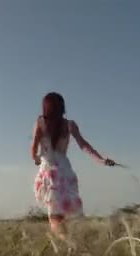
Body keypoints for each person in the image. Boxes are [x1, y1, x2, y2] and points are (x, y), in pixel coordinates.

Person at [31, 92, 116, 241]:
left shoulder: (40, 123)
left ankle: (70, 244)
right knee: (66, 215)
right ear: (62, 107)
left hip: (49, 172)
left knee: (55, 217)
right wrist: (101, 160)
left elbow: (33, 149)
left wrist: (37, 159)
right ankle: (74, 245)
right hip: (65, 171)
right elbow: (84, 145)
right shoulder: (70, 125)